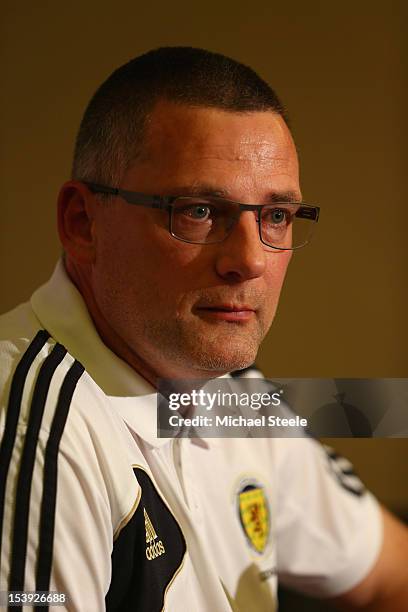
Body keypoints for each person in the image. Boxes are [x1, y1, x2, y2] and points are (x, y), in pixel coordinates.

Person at [0, 47, 407, 612]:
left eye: (275, 216)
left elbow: (392, 572)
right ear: (82, 222)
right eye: (197, 210)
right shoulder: (34, 432)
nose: (250, 260)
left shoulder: (234, 396)